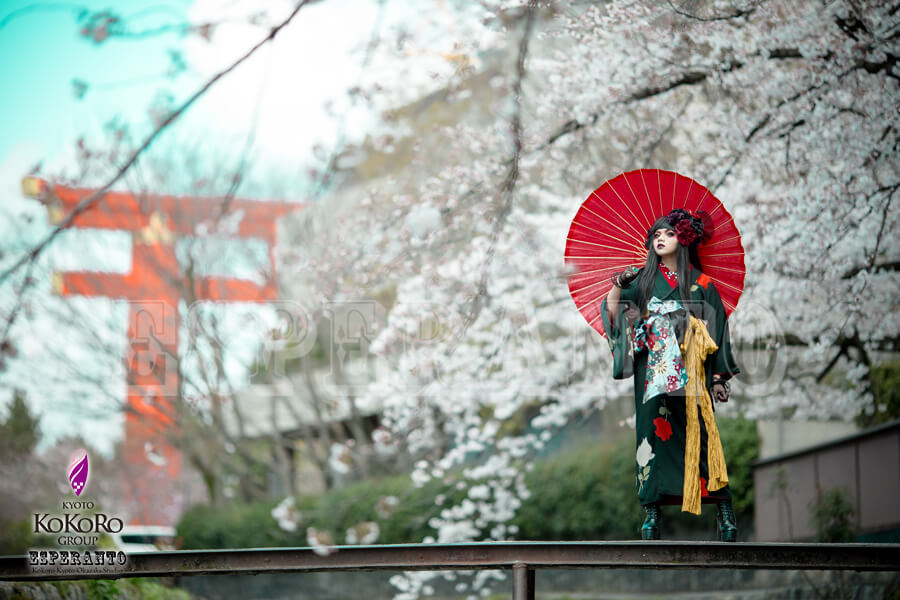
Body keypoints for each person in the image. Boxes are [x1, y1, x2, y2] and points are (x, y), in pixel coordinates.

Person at [600, 208, 740, 542]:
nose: (660, 240)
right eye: (656, 236)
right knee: (653, 436)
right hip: (653, 373)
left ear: (684, 240)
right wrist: (618, 287)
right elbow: (614, 315)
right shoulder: (643, 281)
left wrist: (719, 378)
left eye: (668, 234)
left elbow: (719, 330)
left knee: (703, 435)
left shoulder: (703, 283)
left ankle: (722, 508)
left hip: (693, 369)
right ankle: (651, 510)